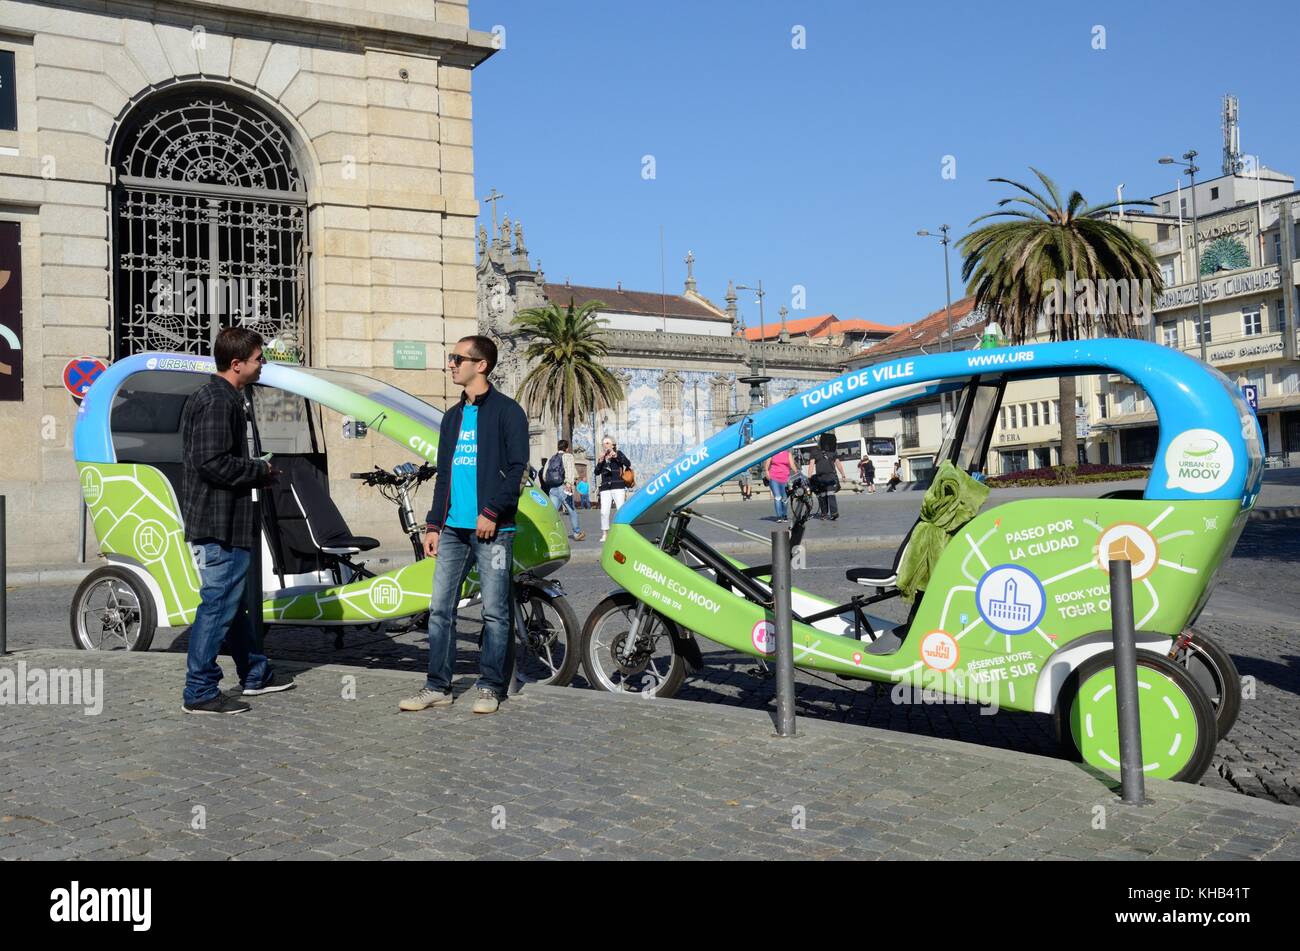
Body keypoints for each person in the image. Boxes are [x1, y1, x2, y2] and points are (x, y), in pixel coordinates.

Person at [400, 334, 527, 716]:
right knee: (440, 609)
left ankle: (490, 686)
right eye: (450, 357)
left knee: (494, 612)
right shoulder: (452, 417)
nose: (451, 363)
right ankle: (438, 685)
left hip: (493, 531)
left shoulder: (508, 412)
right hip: (452, 531)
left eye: (458, 358)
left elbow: (517, 470)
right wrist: (433, 524)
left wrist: (491, 512)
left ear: (481, 365)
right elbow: (445, 476)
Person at [179, 327, 295, 714]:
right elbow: (211, 462)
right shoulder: (216, 400)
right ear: (237, 363)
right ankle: (199, 691)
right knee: (217, 605)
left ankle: (254, 674)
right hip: (219, 522)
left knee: (231, 604)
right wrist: (258, 471)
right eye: (259, 359)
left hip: (226, 519)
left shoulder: (222, 397)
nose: (263, 365)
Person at [541, 439, 585, 541]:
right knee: (572, 511)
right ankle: (576, 533)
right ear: (567, 448)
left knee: (552, 512)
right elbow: (570, 470)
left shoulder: (551, 458)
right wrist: (569, 483)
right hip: (564, 487)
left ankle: (548, 533)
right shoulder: (568, 456)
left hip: (552, 489)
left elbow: (544, 475)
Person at [594, 436, 632, 542]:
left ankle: (623, 532)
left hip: (618, 486)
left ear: (613, 445)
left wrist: (616, 457)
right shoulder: (602, 456)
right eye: (603, 443)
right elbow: (596, 472)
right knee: (604, 511)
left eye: (607, 443)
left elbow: (628, 463)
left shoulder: (618, 453)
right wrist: (600, 461)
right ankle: (605, 533)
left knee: (620, 509)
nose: (605, 445)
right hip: (605, 487)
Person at [808, 433, 846, 520]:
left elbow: (838, 463)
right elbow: (811, 465)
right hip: (820, 477)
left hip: (831, 476)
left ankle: (834, 513)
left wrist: (843, 474)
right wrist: (809, 478)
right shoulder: (814, 451)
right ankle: (824, 513)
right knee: (822, 496)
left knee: (830, 494)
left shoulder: (832, 451)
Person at [762, 448, 793, 522]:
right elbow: (766, 465)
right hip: (774, 478)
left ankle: (784, 515)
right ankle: (779, 516)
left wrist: (798, 473)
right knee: (778, 497)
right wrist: (767, 473)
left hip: (785, 478)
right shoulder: (772, 453)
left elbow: (792, 465)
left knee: (785, 498)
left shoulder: (788, 454)